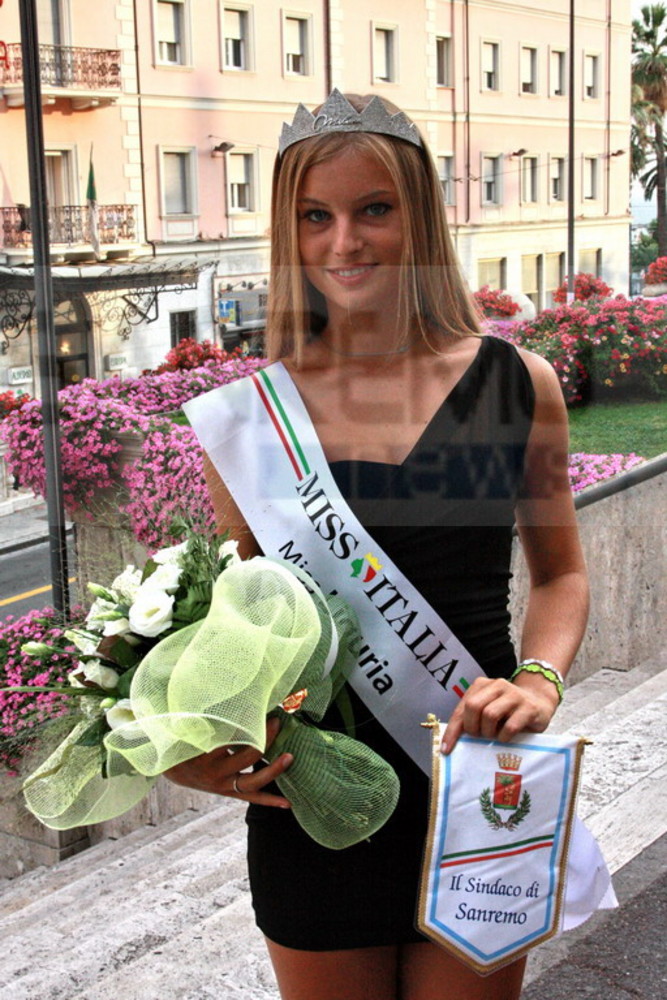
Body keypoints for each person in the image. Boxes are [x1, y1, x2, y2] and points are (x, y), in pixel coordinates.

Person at [168, 92, 589, 1000]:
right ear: (288, 231)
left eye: (374, 211)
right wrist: (190, 744)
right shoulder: (246, 422)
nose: (343, 243)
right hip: (317, 796)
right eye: (314, 217)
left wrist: (538, 681)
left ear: (419, 216)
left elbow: (560, 575)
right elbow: (236, 624)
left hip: (479, 773)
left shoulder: (520, 385)